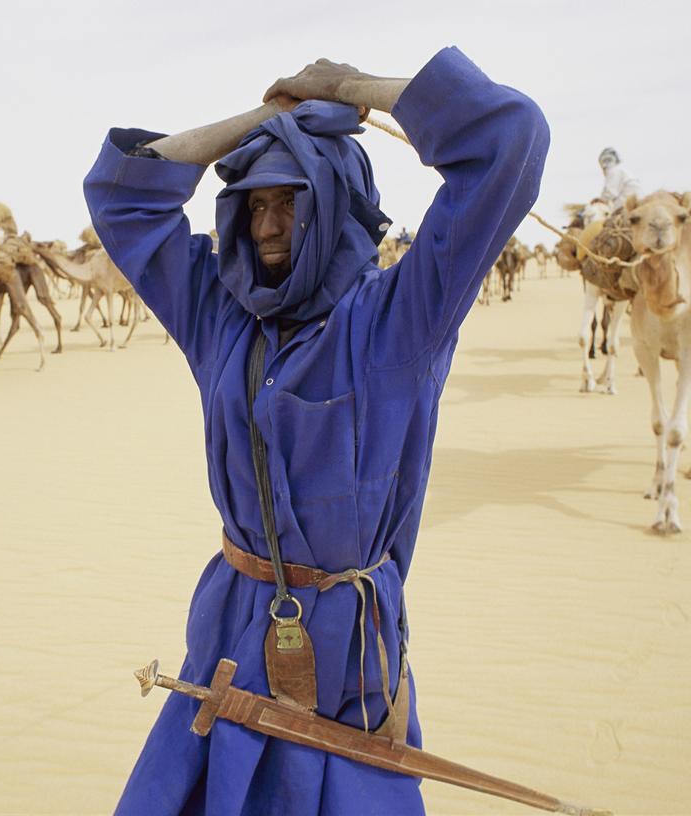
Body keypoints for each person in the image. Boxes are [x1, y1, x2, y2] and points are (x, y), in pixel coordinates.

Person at [84, 49, 548, 815]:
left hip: (345, 645)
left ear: (333, 206)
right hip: (230, 620)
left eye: (289, 203)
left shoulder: (402, 319)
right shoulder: (219, 317)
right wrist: (269, 120)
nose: (266, 226)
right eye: (253, 204)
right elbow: (123, 197)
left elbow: (509, 138)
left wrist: (349, 89)